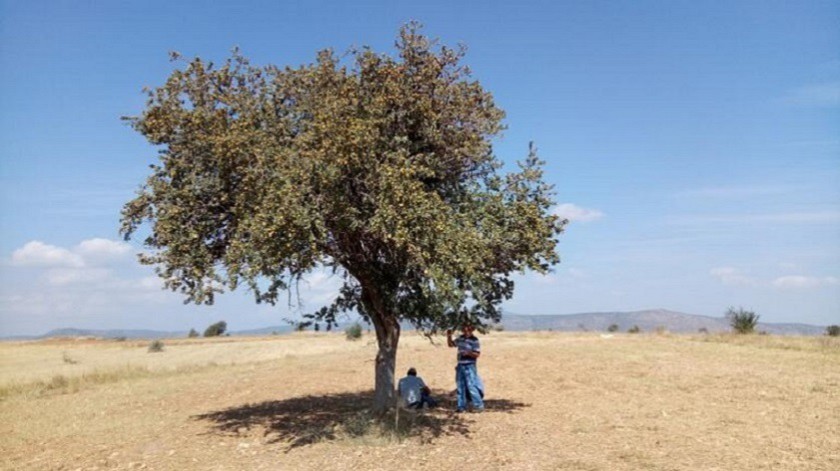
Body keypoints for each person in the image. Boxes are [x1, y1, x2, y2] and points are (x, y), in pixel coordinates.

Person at [447, 324, 485, 412]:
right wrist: (449, 336)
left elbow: (477, 354)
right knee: (460, 386)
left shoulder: (474, 340)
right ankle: (461, 407)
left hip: (470, 365)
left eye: (467, 330)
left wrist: (469, 353)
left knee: (471, 385)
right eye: (464, 330)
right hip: (460, 365)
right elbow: (451, 344)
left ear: (471, 330)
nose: (465, 331)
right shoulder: (460, 338)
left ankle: (478, 405)